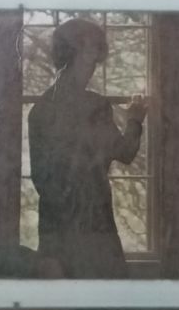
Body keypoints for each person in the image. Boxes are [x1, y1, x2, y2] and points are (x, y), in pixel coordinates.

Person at [28, 18, 147, 279]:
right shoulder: (94, 106)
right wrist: (135, 119)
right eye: (93, 49)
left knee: (64, 296)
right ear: (80, 51)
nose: (97, 59)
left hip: (55, 229)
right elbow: (126, 152)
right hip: (94, 226)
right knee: (103, 296)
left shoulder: (40, 110)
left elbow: (42, 179)